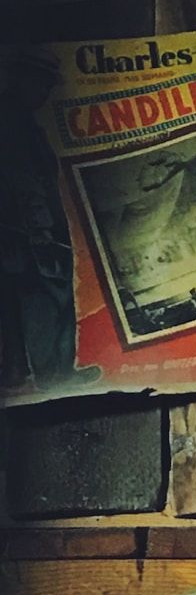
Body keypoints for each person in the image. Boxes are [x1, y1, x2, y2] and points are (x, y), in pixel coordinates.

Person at [0, 48, 94, 389]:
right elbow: (24, 180)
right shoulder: (14, 124)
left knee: (15, 298)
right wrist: (41, 231)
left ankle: (16, 371)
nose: (45, 93)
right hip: (29, 229)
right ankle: (56, 374)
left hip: (15, 230)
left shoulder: (16, 119)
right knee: (51, 296)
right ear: (22, 80)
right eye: (42, 84)